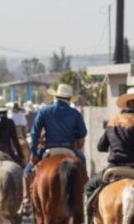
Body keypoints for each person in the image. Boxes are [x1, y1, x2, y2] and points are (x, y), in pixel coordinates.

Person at [77, 87, 134, 224]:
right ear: (132, 102)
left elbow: (101, 146)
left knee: (88, 188)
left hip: (113, 169)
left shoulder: (113, 121)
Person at [20, 84, 88, 213]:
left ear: (56, 96)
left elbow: (34, 133)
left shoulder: (44, 111)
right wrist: (73, 135)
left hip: (48, 149)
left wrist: (34, 152)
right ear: (69, 98)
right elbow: (83, 133)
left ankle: (26, 200)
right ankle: (85, 195)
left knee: (27, 171)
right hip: (70, 149)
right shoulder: (75, 113)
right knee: (82, 168)